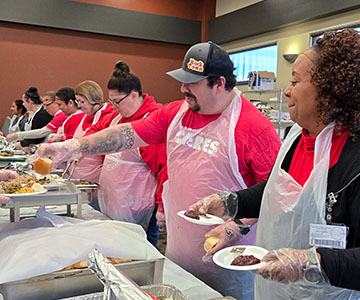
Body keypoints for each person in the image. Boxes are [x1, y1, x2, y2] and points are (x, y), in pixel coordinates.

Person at [31, 42, 281, 300]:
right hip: (179, 247)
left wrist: (236, 227)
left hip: (229, 259)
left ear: (218, 83)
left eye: (192, 83)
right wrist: (73, 146)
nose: (183, 88)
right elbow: (126, 134)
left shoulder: (254, 127)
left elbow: (274, 195)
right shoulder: (175, 113)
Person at [187, 29, 360, 299]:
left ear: (327, 92)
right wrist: (231, 203)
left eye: (295, 81)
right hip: (276, 291)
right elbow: (283, 191)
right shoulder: (298, 136)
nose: (287, 91)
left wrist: (311, 263)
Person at [82, 61, 167, 247]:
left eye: (117, 101)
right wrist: (74, 146)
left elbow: (165, 169)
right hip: (113, 202)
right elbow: (96, 132)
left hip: (140, 208)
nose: (113, 106)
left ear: (134, 95)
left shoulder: (152, 123)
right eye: (110, 101)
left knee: (140, 252)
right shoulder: (116, 117)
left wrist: (161, 205)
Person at [69, 80, 114, 183]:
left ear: (93, 100)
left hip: (95, 180)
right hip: (79, 177)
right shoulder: (87, 116)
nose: (79, 106)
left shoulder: (106, 118)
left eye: (82, 101)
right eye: (77, 101)